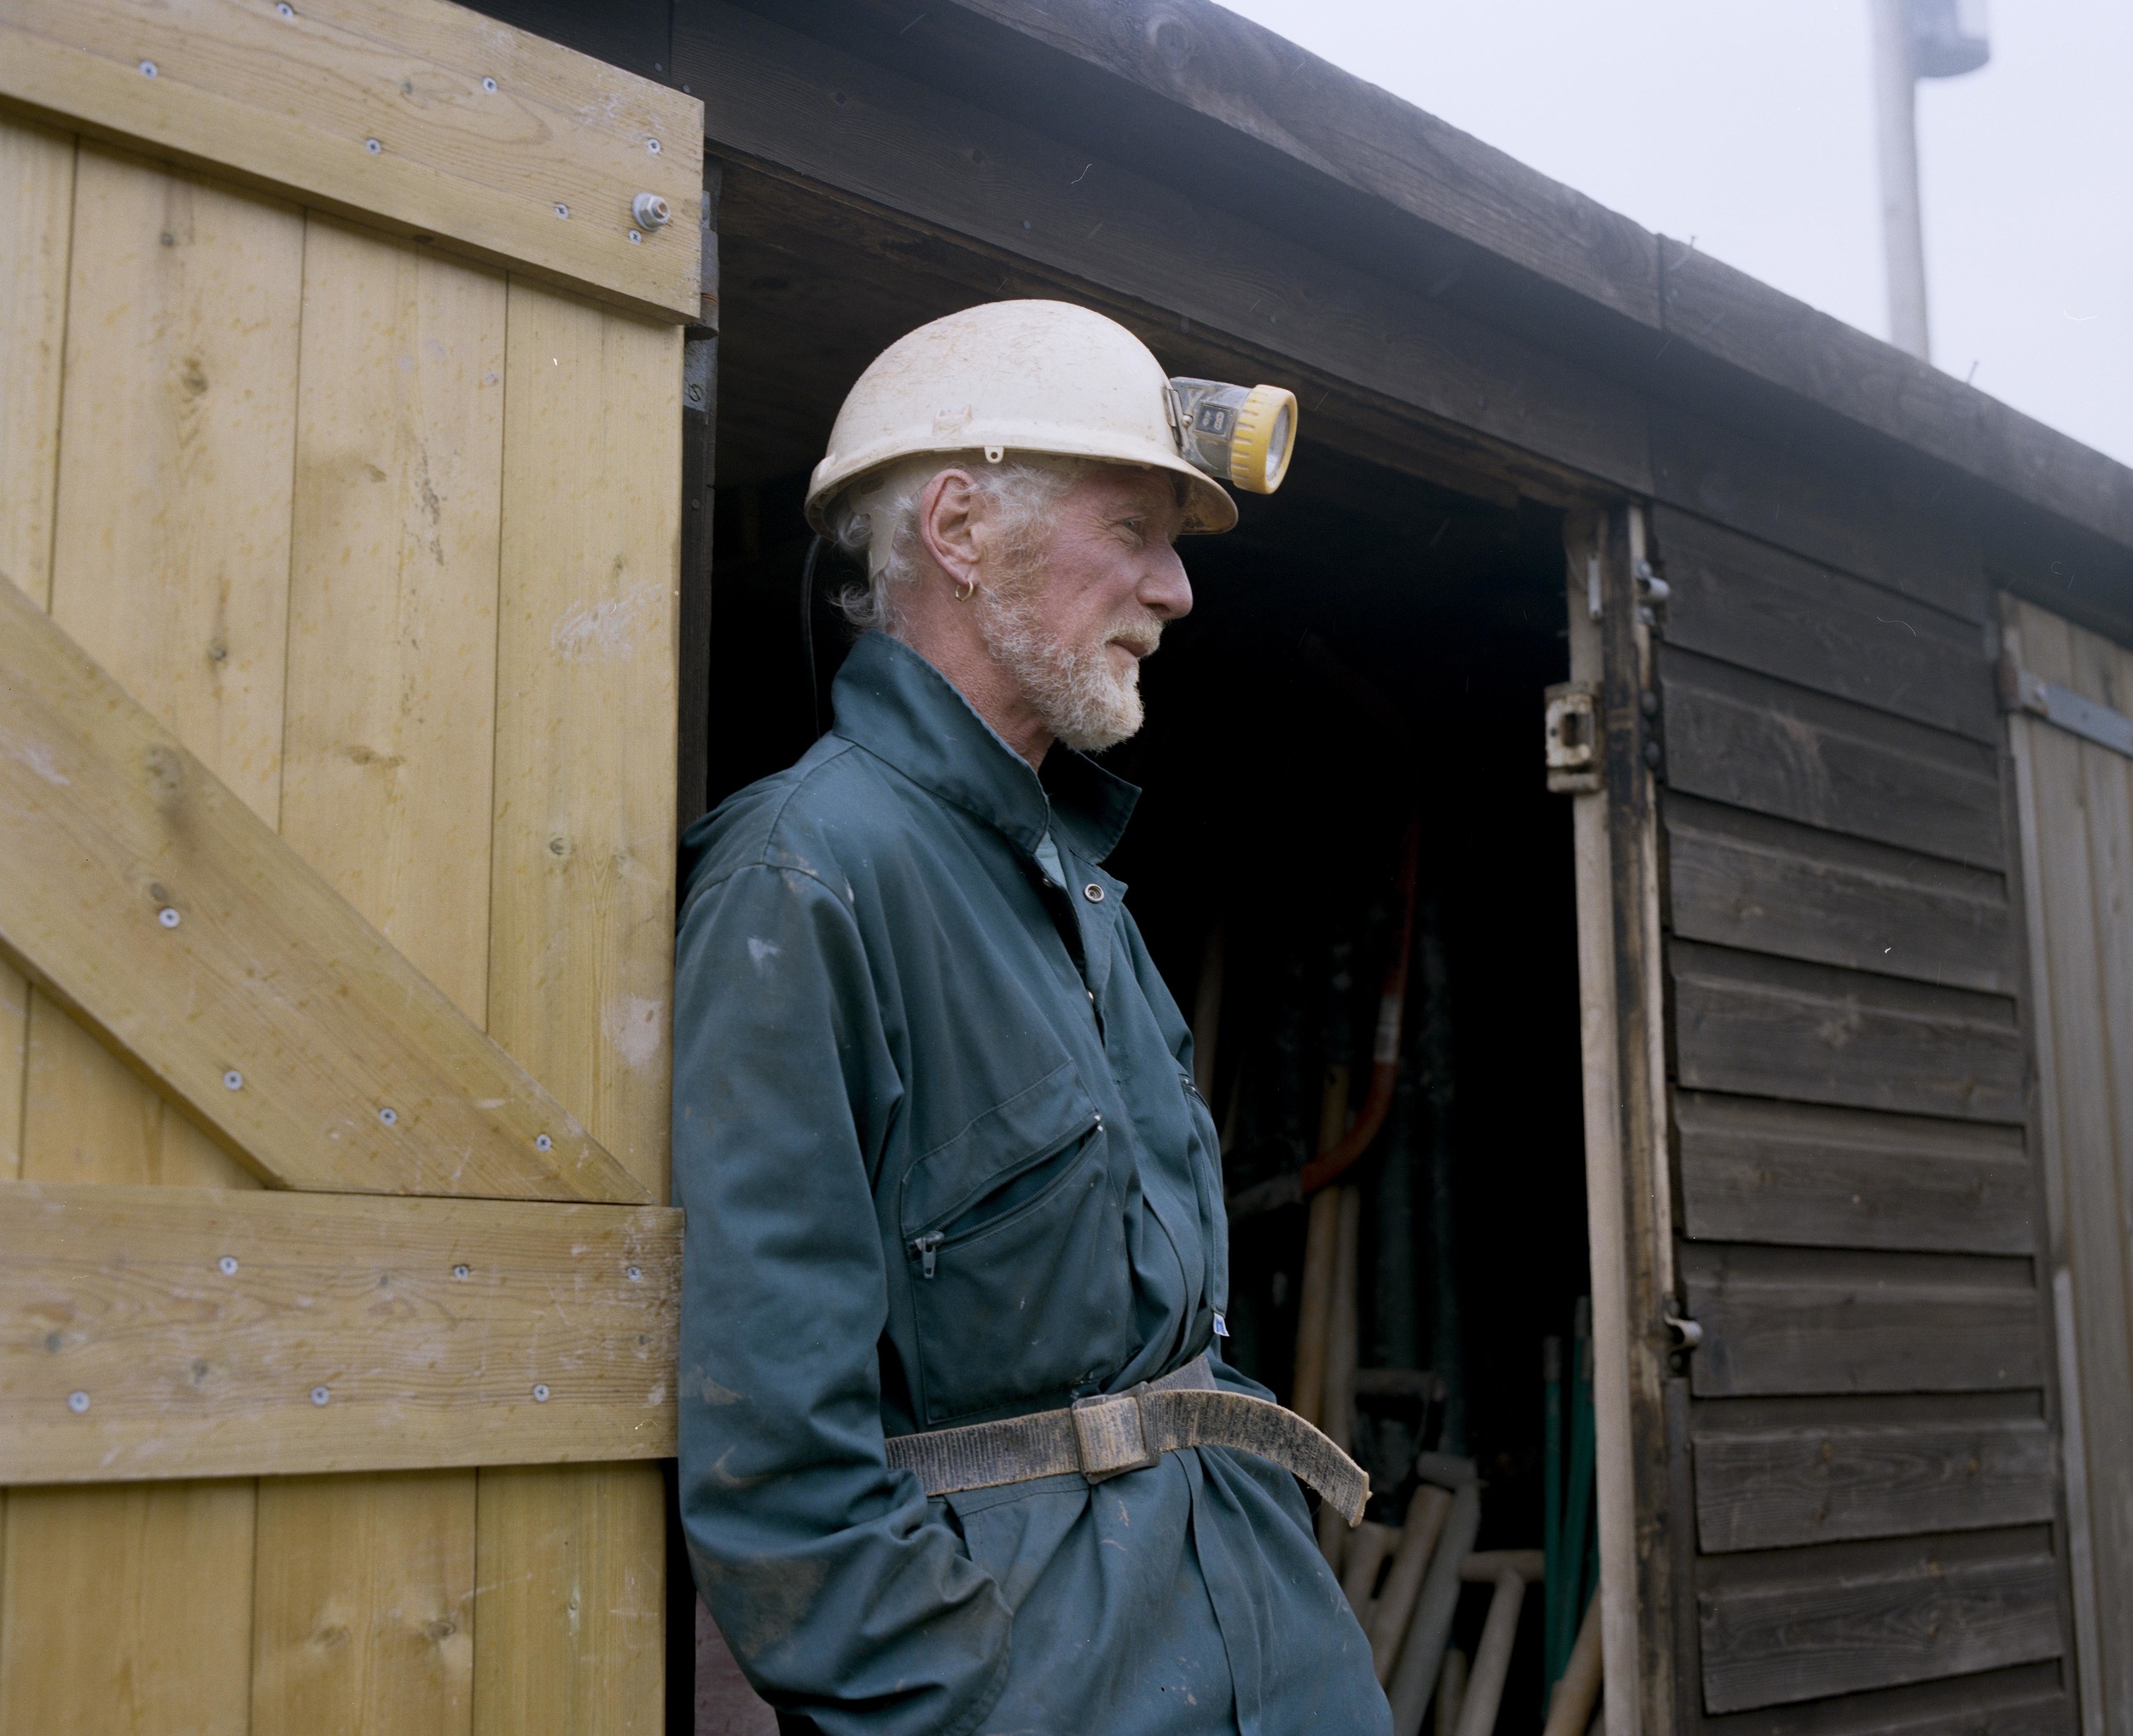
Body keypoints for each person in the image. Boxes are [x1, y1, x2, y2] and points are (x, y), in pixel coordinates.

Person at [673, 299, 1390, 1736]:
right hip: (1047, 1686)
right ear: (957, 528)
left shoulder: (1075, 884)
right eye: (1135, 529)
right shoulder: (804, 877)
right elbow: (777, 1463)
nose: (1175, 590)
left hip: (1262, 1639)